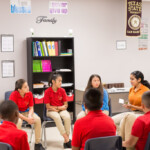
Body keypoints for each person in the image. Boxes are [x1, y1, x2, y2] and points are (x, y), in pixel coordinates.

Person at [9, 79, 45, 150]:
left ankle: (37, 143)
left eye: (27, 85)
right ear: (19, 90)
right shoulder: (13, 95)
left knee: (37, 119)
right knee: (18, 122)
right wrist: (27, 119)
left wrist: (29, 116)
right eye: (25, 87)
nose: (28, 87)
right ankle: (17, 144)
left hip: (26, 111)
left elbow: (31, 107)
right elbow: (16, 112)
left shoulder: (29, 93)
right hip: (16, 113)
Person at [112, 71, 150, 135]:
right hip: (133, 112)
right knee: (112, 120)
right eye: (130, 79)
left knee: (122, 122)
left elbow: (146, 109)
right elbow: (131, 102)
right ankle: (120, 138)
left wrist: (132, 106)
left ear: (139, 79)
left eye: (132, 79)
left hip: (143, 113)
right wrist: (127, 104)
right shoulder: (131, 89)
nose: (130, 81)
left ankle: (125, 141)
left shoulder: (146, 91)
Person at [44, 73, 71, 149]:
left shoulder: (62, 90)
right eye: (59, 81)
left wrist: (58, 108)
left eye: (61, 81)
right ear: (53, 81)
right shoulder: (47, 91)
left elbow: (66, 105)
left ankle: (66, 140)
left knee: (67, 117)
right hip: (50, 111)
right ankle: (67, 139)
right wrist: (59, 107)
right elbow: (48, 106)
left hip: (59, 109)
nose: (60, 83)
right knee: (57, 117)